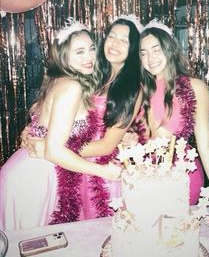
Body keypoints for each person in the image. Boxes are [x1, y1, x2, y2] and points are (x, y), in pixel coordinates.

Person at [15, 17, 143, 226]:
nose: (115, 44)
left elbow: (107, 145)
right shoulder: (93, 74)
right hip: (71, 165)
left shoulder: (131, 88)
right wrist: (33, 131)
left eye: (124, 40)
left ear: (133, 48)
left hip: (98, 171)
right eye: (112, 37)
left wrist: (51, 147)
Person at [139, 19, 209, 205]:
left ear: (170, 49)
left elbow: (206, 144)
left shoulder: (196, 87)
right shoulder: (139, 90)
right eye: (144, 53)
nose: (150, 58)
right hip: (142, 176)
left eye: (156, 49)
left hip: (182, 174)